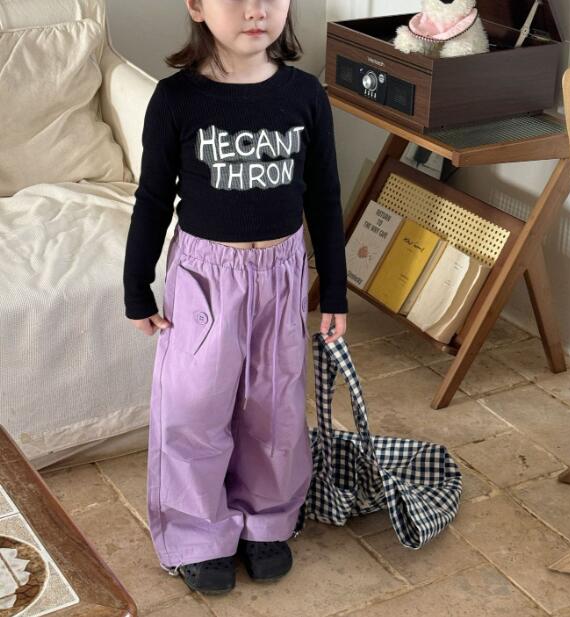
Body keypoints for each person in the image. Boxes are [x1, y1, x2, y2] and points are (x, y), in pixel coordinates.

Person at [122, 0, 348, 596]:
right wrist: (136, 285)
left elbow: (324, 194)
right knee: (195, 405)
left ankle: (267, 520)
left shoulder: (305, 96)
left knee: (274, 406)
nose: (256, 10)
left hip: (282, 272)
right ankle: (198, 532)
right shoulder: (177, 100)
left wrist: (335, 291)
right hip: (206, 278)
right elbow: (153, 198)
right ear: (197, 6)